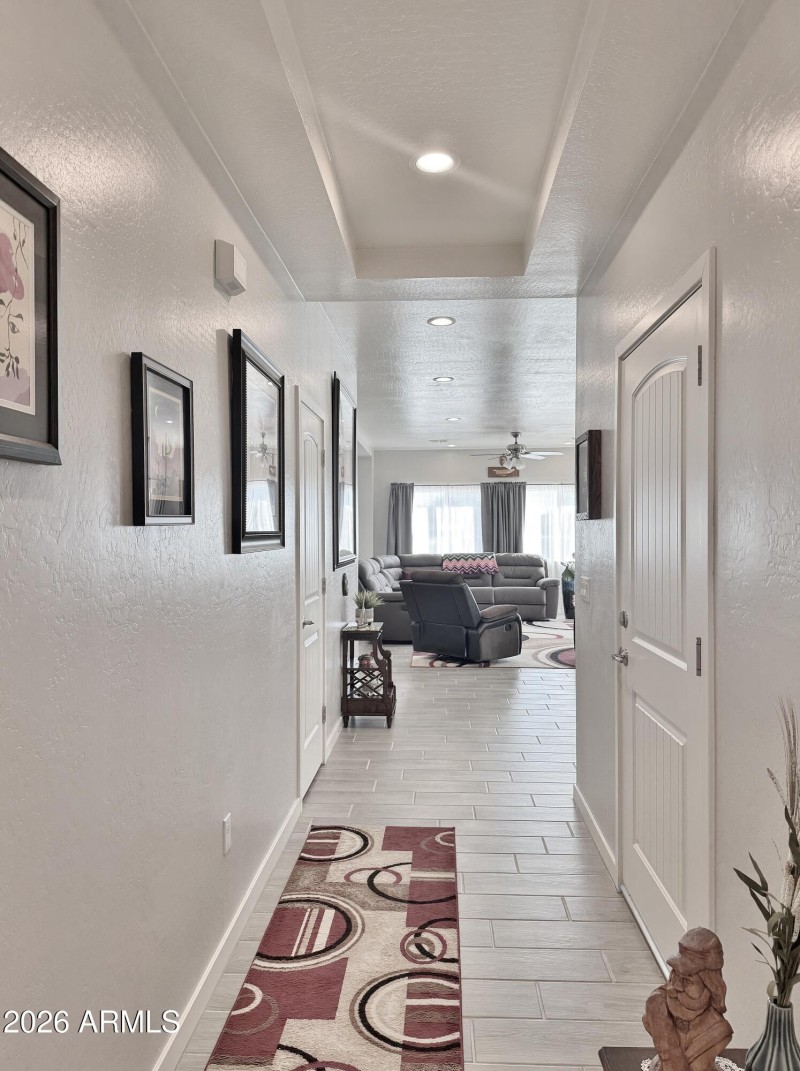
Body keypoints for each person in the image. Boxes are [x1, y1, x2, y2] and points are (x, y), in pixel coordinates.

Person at [643, 928, 733, 1071]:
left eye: (688, 981)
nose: (676, 987)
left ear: (710, 986)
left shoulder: (718, 1031)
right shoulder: (658, 1005)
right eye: (675, 975)